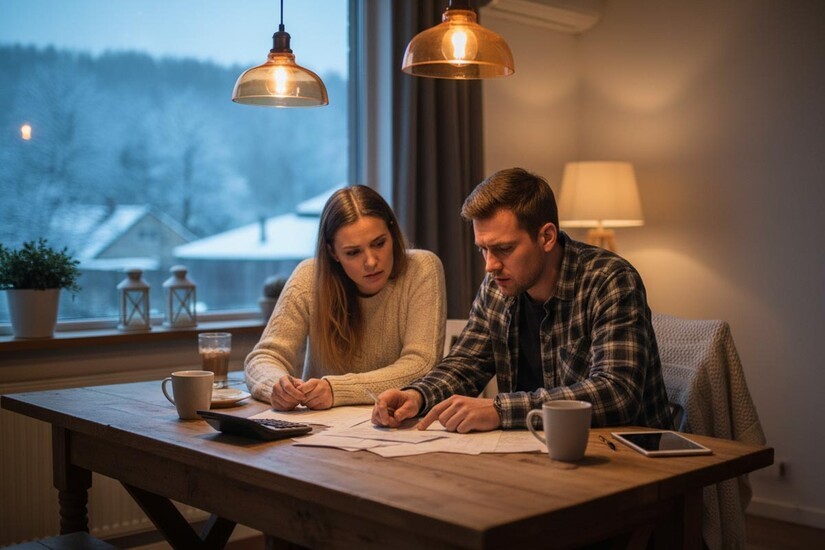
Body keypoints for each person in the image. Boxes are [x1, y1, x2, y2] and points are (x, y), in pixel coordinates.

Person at [372, 167, 672, 432]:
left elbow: (616, 393)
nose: (490, 265)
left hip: (629, 461)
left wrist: (500, 410)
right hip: (537, 452)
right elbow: (465, 364)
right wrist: (417, 395)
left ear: (546, 237)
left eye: (503, 249)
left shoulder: (609, 280)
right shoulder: (498, 285)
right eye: (483, 249)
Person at [245, 185, 447, 410]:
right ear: (333, 253)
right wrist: (277, 387)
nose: (371, 261)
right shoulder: (309, 276)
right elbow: (263, 357)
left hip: (395, 428)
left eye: (379, 243)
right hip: (317, 429)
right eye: (353, 252)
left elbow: (421, 366)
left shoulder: (421, 269)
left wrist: (336, 390)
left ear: (392, 233)